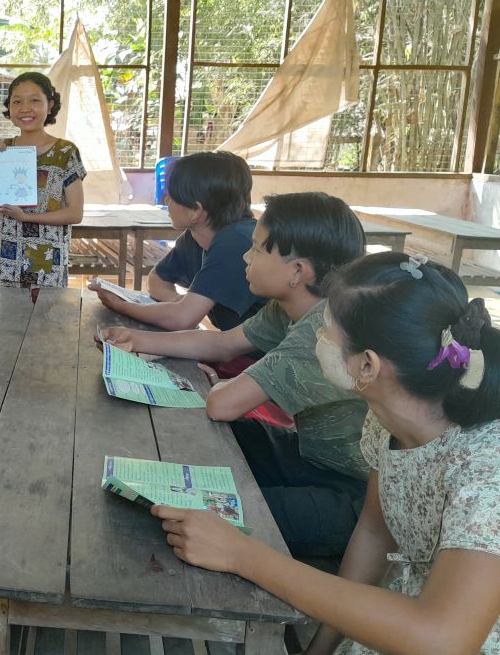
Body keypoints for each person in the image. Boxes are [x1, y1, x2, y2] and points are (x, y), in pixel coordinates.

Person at [152, 253, 500, 654]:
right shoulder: (386, 421)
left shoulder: (484, 467)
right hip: (399, 620)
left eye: (326, 327)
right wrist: (321, 648)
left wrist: (244, 556)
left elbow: (444, 639)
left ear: (367, 366)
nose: (318, 336)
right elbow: (373, 530)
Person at [101, 192, 369, 557]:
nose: (247, 256)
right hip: (307, 455)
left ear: (297, 271)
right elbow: (223, 344)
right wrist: (138, 338)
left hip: (353, 497)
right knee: (198, 446)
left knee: (202, 516)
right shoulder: (288, 309)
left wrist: (226, 385)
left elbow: (222, 404)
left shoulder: (323, 331)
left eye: (258, 249)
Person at [90, 150, 264, 331]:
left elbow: (182, 320)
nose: (166, 201)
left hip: (266, 355)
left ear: (195, 210)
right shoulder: (196, 236)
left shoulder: (235, 242)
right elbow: (157, 279)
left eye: (172, 197)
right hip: (233, 346)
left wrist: (122, 305)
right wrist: (177, 306)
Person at [0, 72, 86, 292]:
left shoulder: (65, 152)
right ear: (9, 108)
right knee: (1, 321)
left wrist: (26, 217)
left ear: (50, 105)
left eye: (35, 100)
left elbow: (75, 213)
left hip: (46, 261)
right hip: (4, 260)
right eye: (17, 101)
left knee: (44, 322)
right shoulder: (1, 151)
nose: (25, 108)